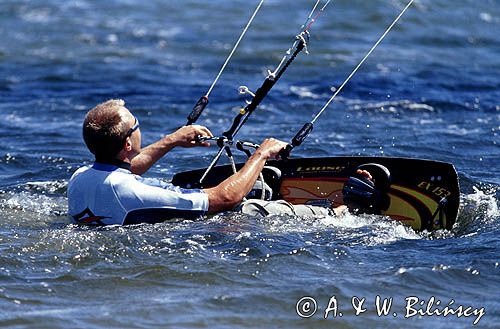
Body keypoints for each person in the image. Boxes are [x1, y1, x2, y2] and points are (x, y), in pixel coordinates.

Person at [68, 99, 344, 225]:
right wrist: (262, 154)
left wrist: (173, 139)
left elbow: (127, 168)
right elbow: (226, 197)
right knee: (250, 210)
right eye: (136, 124)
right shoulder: (131, 192)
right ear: (128, 144)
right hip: (201, 233)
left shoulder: (80, 178)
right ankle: (342, 212)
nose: (140, 126)